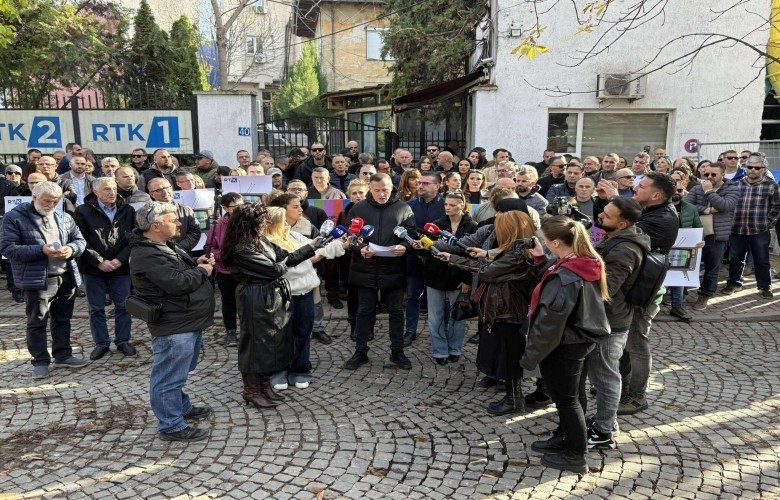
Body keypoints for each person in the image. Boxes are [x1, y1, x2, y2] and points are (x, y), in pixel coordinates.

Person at [521, 216, 610, 473]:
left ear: (557, 242)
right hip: (578, 340)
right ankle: (565, 438)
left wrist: (531, 355)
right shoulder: (581, 262)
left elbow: (550, 322)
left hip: (564, 345)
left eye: (546, 240)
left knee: (567, 400)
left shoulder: (566, 275)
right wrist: (540, 259)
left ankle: (575, 455)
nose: (544, 244)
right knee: (573, 396)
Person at [127, 201, 215, 442]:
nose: (179, 223)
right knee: (168, 376)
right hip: (174, 324)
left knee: (179, 371)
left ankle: (181, 406)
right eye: (172, 220)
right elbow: (177, 283)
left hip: (186, 319)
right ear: (155, 226)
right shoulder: (146, 253)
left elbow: (175, 272)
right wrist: (203, 272)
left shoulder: (162, 245)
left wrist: (196, 264)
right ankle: (171, 426)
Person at [221, 204, 317, 410]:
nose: (266, 223)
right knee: (255, 344)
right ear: (251, 222)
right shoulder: (242, 247)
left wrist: (311, 247)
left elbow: (286, 255)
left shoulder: (259, 240)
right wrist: (284, 263)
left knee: (270, 342)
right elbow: (275, 269)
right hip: (254, 297)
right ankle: (252, 390)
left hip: (270, 293)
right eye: (262, 220)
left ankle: (264, 385)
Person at [598, 172, 678, 416]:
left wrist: (614, 199)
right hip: (630, 289)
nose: (634, 188)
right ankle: (619, 385)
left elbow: (625, 229)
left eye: (641, 186)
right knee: (623, 343)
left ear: (655, 195)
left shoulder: (663, 218)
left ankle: (637, 395)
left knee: (636, 343)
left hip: (644, 292)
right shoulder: (652, 209)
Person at [441, 210, 537, 414]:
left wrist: (452, 258)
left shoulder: (518, 254)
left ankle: (514, 400)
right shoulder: (516, 249)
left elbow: (487, 272)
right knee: (506, 356)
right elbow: (493, 262)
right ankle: (515, 397)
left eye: (500, 227)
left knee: (510, 358)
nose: (496, 231)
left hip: (508, 312)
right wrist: (485, 254)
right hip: (505, 310)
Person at [0, 181, 87, 379]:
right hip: (37, 279)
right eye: (47, 201)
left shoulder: (64, 216)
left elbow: (80, 240)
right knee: (37, 321)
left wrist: (71, 249)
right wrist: (41, 250)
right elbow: (7, 248)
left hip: (65, 276)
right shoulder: (14, 217)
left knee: (62, 319)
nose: (51, 205)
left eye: (55, 202)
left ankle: (63, 354)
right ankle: (40, 361)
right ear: (34, 197)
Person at [589, 197, 649, 450]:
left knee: (606, 378)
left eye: (608, 216)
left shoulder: (624, 249)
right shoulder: (616, 239)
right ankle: (608, 422)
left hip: (611, 321)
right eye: (603, 212)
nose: (601, 217)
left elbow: (607, 289)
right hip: (609, 317)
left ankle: (603, 432)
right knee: (604, 376)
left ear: (622, 224)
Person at [264, 207, 345, 390]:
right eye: (283, 222)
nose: (287, 225)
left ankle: (300, 369)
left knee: (303, 332)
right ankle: (279, 370)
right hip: (281, 295)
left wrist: (341, 244)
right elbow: (289, 271)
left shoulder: (294, 237)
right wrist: (311, 260)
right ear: (273, 224)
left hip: (305, 293)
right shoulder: (266, 244)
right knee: (280, 335)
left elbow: (317, 248)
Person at [345, 173, 416, 370]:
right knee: (364, 311)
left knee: (395, 311)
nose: (381, 194)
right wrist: (361, 249)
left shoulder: (404, 208)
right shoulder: (358, 208)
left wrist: (405, 247)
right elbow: (350, 236)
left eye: (385, 190)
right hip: (364, 267)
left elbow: (411, 235)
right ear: (370, 190)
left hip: (393, 268)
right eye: (377, 190)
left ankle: (397, 351)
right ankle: (360, 352)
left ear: (392, 188)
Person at [74, 177, 136, 361]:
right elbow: (80, 240)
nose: (112, 192)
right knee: (96, 308)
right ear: (95, 192)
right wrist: (99, 261)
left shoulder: (128, 209)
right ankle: (101, 343)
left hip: (121, 267)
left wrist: (120, 259)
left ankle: (123, 340)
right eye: (107, 189)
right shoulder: (82, 211)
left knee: (123, 306)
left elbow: (134, 237)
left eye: (114, 188)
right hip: (93, 268)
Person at [418, 191, 477, 365]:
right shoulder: (436, 225)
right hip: (435, 276)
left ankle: (455, 348)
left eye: (452, 205)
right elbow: (425, 252)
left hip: (459, 277)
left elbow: (474, 256)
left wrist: (467, 279)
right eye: (446, 205)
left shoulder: (473, 226)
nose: (448, 208)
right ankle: (440, 350)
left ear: (462, 206)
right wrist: (418, 245)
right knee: (435, 317)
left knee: (457, 316)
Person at [723, 153, 780, 299]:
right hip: (737, 229)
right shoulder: (737, 184)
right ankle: (735, 283)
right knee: (736, 259)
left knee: (762, 259)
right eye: (750, 167)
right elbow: (729, 205)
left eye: (757, 167)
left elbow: (777, 207)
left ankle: (765, 286)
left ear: (763, 169)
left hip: (759, 230)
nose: (753, 170)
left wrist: (767, 223)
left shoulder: (771, 186)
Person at [685, 162, 740, 311]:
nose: (709, 177)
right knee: (688, 264)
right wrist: (707, 210)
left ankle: (705, 295)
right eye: (706, 174)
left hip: (716, 236)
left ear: (722, 175)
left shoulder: (733, 188)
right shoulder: (697, 188)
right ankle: (680, 295)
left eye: (713, 174)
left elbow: (725, 206)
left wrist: (709, 192)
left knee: (712, 267)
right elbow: (687, 206)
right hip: (695, 233)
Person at [405, 171, 445, 347]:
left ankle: (440, 332)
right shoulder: (408, 205)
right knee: (413, 296)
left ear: (437, 186)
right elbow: (404, 230)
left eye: (426, 183)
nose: (420, 186)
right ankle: (410, 331)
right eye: (419, 182)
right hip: (414, 259)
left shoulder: (446, 205)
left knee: (440, 300)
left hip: (439, 260)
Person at [207, 192, 244, 347]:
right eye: (235, 207)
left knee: (247, 302)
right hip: (225, 270)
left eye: (242, 205)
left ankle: (248, 331)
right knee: (228, 302)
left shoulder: (248, 221)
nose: (240, 209)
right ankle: (231, 332)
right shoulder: (218, 224)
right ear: (225, 208)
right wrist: (223, 255)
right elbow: (209, 248)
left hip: (245, 270)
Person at [146, 178, 201, 254]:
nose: (165, 192)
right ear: (151, 194)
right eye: (159, 190)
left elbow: (195, 232)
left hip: (183, 255)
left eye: (167, 188)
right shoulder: (145, 214)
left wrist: (179, 248)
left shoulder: (186, 210)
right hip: (158, 256)